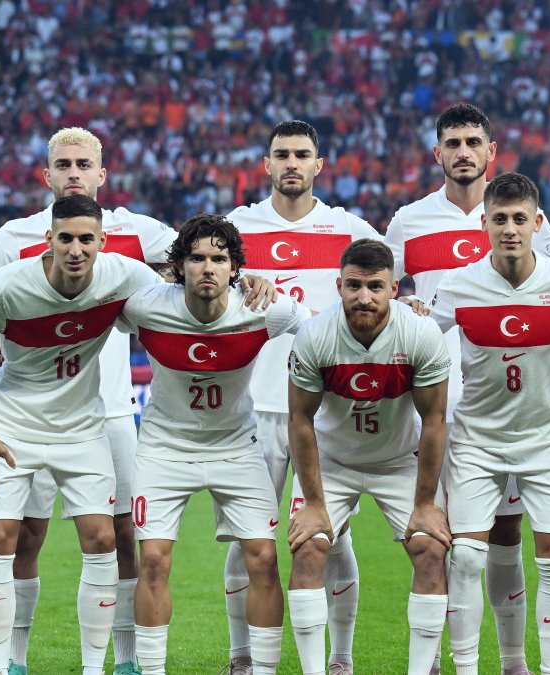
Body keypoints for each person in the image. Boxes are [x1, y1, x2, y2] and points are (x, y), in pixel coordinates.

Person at [385, 103, 550, 675]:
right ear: (437, 153)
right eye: (452, 142)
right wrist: (404, 305)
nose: (463, 151)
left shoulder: (523, 221)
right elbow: (381, 296)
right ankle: (439, 658)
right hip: (440, 404)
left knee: (506, 532)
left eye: (473, 142)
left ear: (492, 152)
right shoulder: (407, 223)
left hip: (510, 401)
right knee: (448, 541)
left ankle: (512, 661)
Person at [0, 127, 176, 675]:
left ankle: (126, 660)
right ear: (47, 176)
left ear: (101, 175)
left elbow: (194, 256)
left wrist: (239, 274)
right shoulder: (16, 235)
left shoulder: (136, 232)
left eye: (83, 164)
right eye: (63, 164)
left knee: (119, 536)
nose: (74, 172)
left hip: (109, 412)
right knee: (25, 536)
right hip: (28, 413)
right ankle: (15, 661)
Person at [224, 119, 383, 675]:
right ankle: (240, 656)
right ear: (265, 164)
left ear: (320, 164)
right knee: (250, 537)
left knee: (329, 535)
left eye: (302, 154)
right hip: (252, 406)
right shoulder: (234, 231)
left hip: (327, 411)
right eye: (281, 154)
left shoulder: (350, 231)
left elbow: (380, 305)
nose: (291, 163)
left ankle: (340, 659)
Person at [118, 213, 308, 675]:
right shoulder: (145, 307)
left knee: (263, 558)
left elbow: (324, 334)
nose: (208, 267)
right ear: (179, 265)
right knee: (154, 562)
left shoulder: (266, 309)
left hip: (237, 448)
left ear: (235, 267)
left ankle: (261, 669)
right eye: (197, 258)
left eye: (219, 259)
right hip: (164, 449)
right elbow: (85, 312)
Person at [429, 173, 550, 675]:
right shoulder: (459, 284)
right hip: (476, 440)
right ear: (483, 223)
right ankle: (466, 669)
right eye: (499, 219)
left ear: (537, 223)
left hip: (546, 439)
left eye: (519, 219)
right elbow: (418, 336)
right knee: (465, 559)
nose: (509, 228)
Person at [286, 239, 452, 675]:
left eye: (376, 286)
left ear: (394, 288)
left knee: (431, 549)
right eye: (354, 286)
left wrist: (424, 504)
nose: (364, 297)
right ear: (338, 285)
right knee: (307, 549)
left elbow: (434, 420)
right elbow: (300, 420)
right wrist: (316, 505)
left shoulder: (419, 333)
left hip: (398, 460)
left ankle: (424, 670)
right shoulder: (315, 335)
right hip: (333, 462)